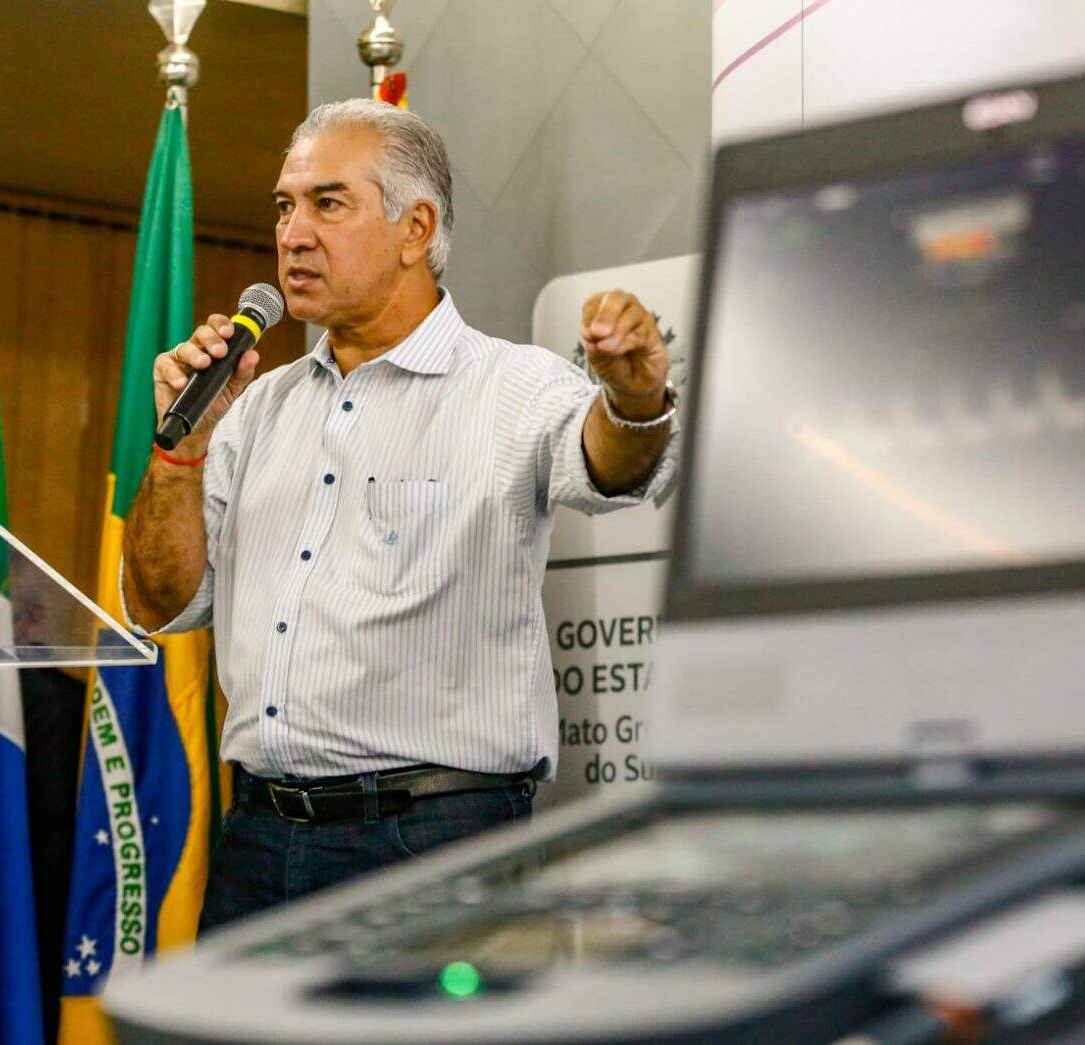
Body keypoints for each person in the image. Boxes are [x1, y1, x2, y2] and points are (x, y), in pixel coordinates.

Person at [120, 99, 677, 931]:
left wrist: (634, 401)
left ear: (416, 228)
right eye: (285, 205)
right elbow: (161, 601)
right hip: (258, 843)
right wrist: (181, 451)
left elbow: (612, 464)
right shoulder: (254, 406)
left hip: (434, 841)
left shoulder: (509, 386)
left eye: (328, 203)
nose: (294, 233)